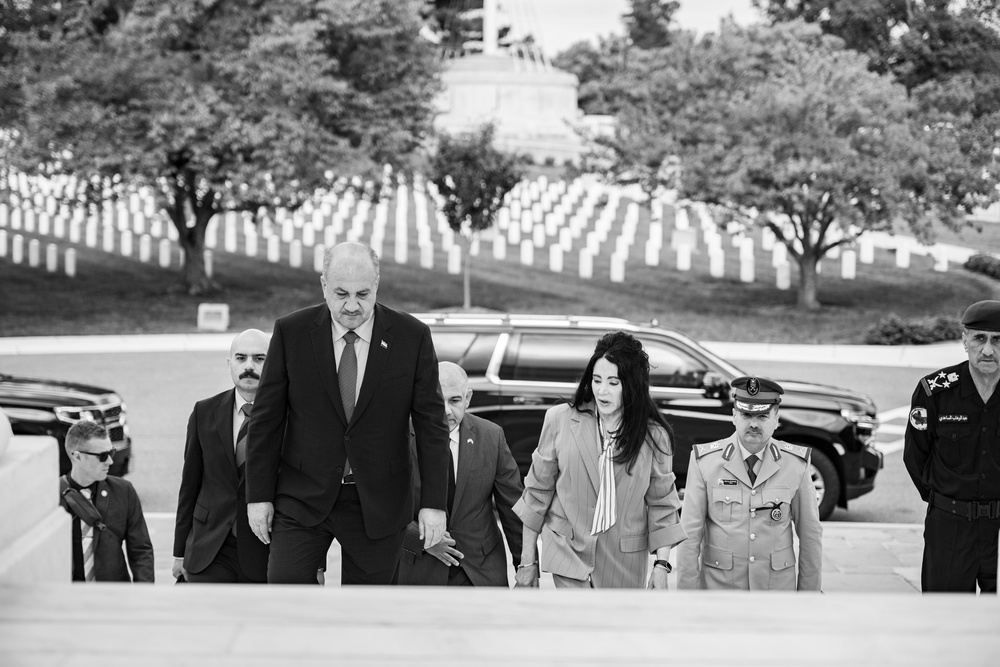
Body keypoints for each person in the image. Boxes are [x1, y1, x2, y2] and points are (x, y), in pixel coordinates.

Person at [246, 242, 451, 585]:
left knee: (367, 617)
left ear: (377, 285)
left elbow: (432, 426)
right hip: (302, 496)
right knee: (286, 603)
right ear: (323, 285)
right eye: (341, 293)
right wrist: (259, 496)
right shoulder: (290, 333)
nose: (352, 306)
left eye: (363, 294)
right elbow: (266, 421)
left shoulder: (411, 338)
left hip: (379, 500)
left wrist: (433, 504)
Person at [513, 331, 686, 589]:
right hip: (567, 554)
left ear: (632, 385)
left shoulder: (654, 437)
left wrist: (661, 566)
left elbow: (663, 505)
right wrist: (527, 562)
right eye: (596, 380)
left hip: (624, 564)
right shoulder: (559, 419)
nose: (602, 391)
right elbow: (537, 494)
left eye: (613, 383)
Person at [676, 376, 822, 591]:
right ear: (734, 416)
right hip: (721, 592)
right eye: (746, 415)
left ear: (776, 418)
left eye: (763, 416)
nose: (753, 424)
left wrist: (808, 598)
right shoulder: (704, 461)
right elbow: (689, 536)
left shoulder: (795, 463)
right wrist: (688, 598)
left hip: (776, 594)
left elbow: (810, 536)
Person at [903, 300, 1000, 593]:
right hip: (950, 525)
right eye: (979, 338)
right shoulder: (934, 391)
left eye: (998, 340)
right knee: (945, 617)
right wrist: (944, 500)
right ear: (964, 341)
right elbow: (915, 455)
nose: (988, 350)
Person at [398, 362, 524, 587]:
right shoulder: (398, 438)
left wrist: (524, 566)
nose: (446, 410)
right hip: (421, 570)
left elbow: (513, 508)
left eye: (454, 400)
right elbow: (382, 504)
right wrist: (423, 540)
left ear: (468, 398)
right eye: (438, 400)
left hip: (481, 571)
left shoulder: (491, 437)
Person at [172, 329, 271, 583]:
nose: (249, 366)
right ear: (230, 364)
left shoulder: (293, 417)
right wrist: (179, 552)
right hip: (209, 548)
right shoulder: (204, 412)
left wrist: (316, 564)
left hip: (266, 550)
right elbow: (190, 484)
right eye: (241, 358)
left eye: (259, 359)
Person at [58, 421, 154, 582]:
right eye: (102, 456)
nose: (110, 461)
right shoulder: (51, 496)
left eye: (111, 452)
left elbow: (141, 550)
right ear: (78, 456)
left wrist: (143, 594)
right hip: (68, 597)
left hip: (114, 597)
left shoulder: (124, 491)